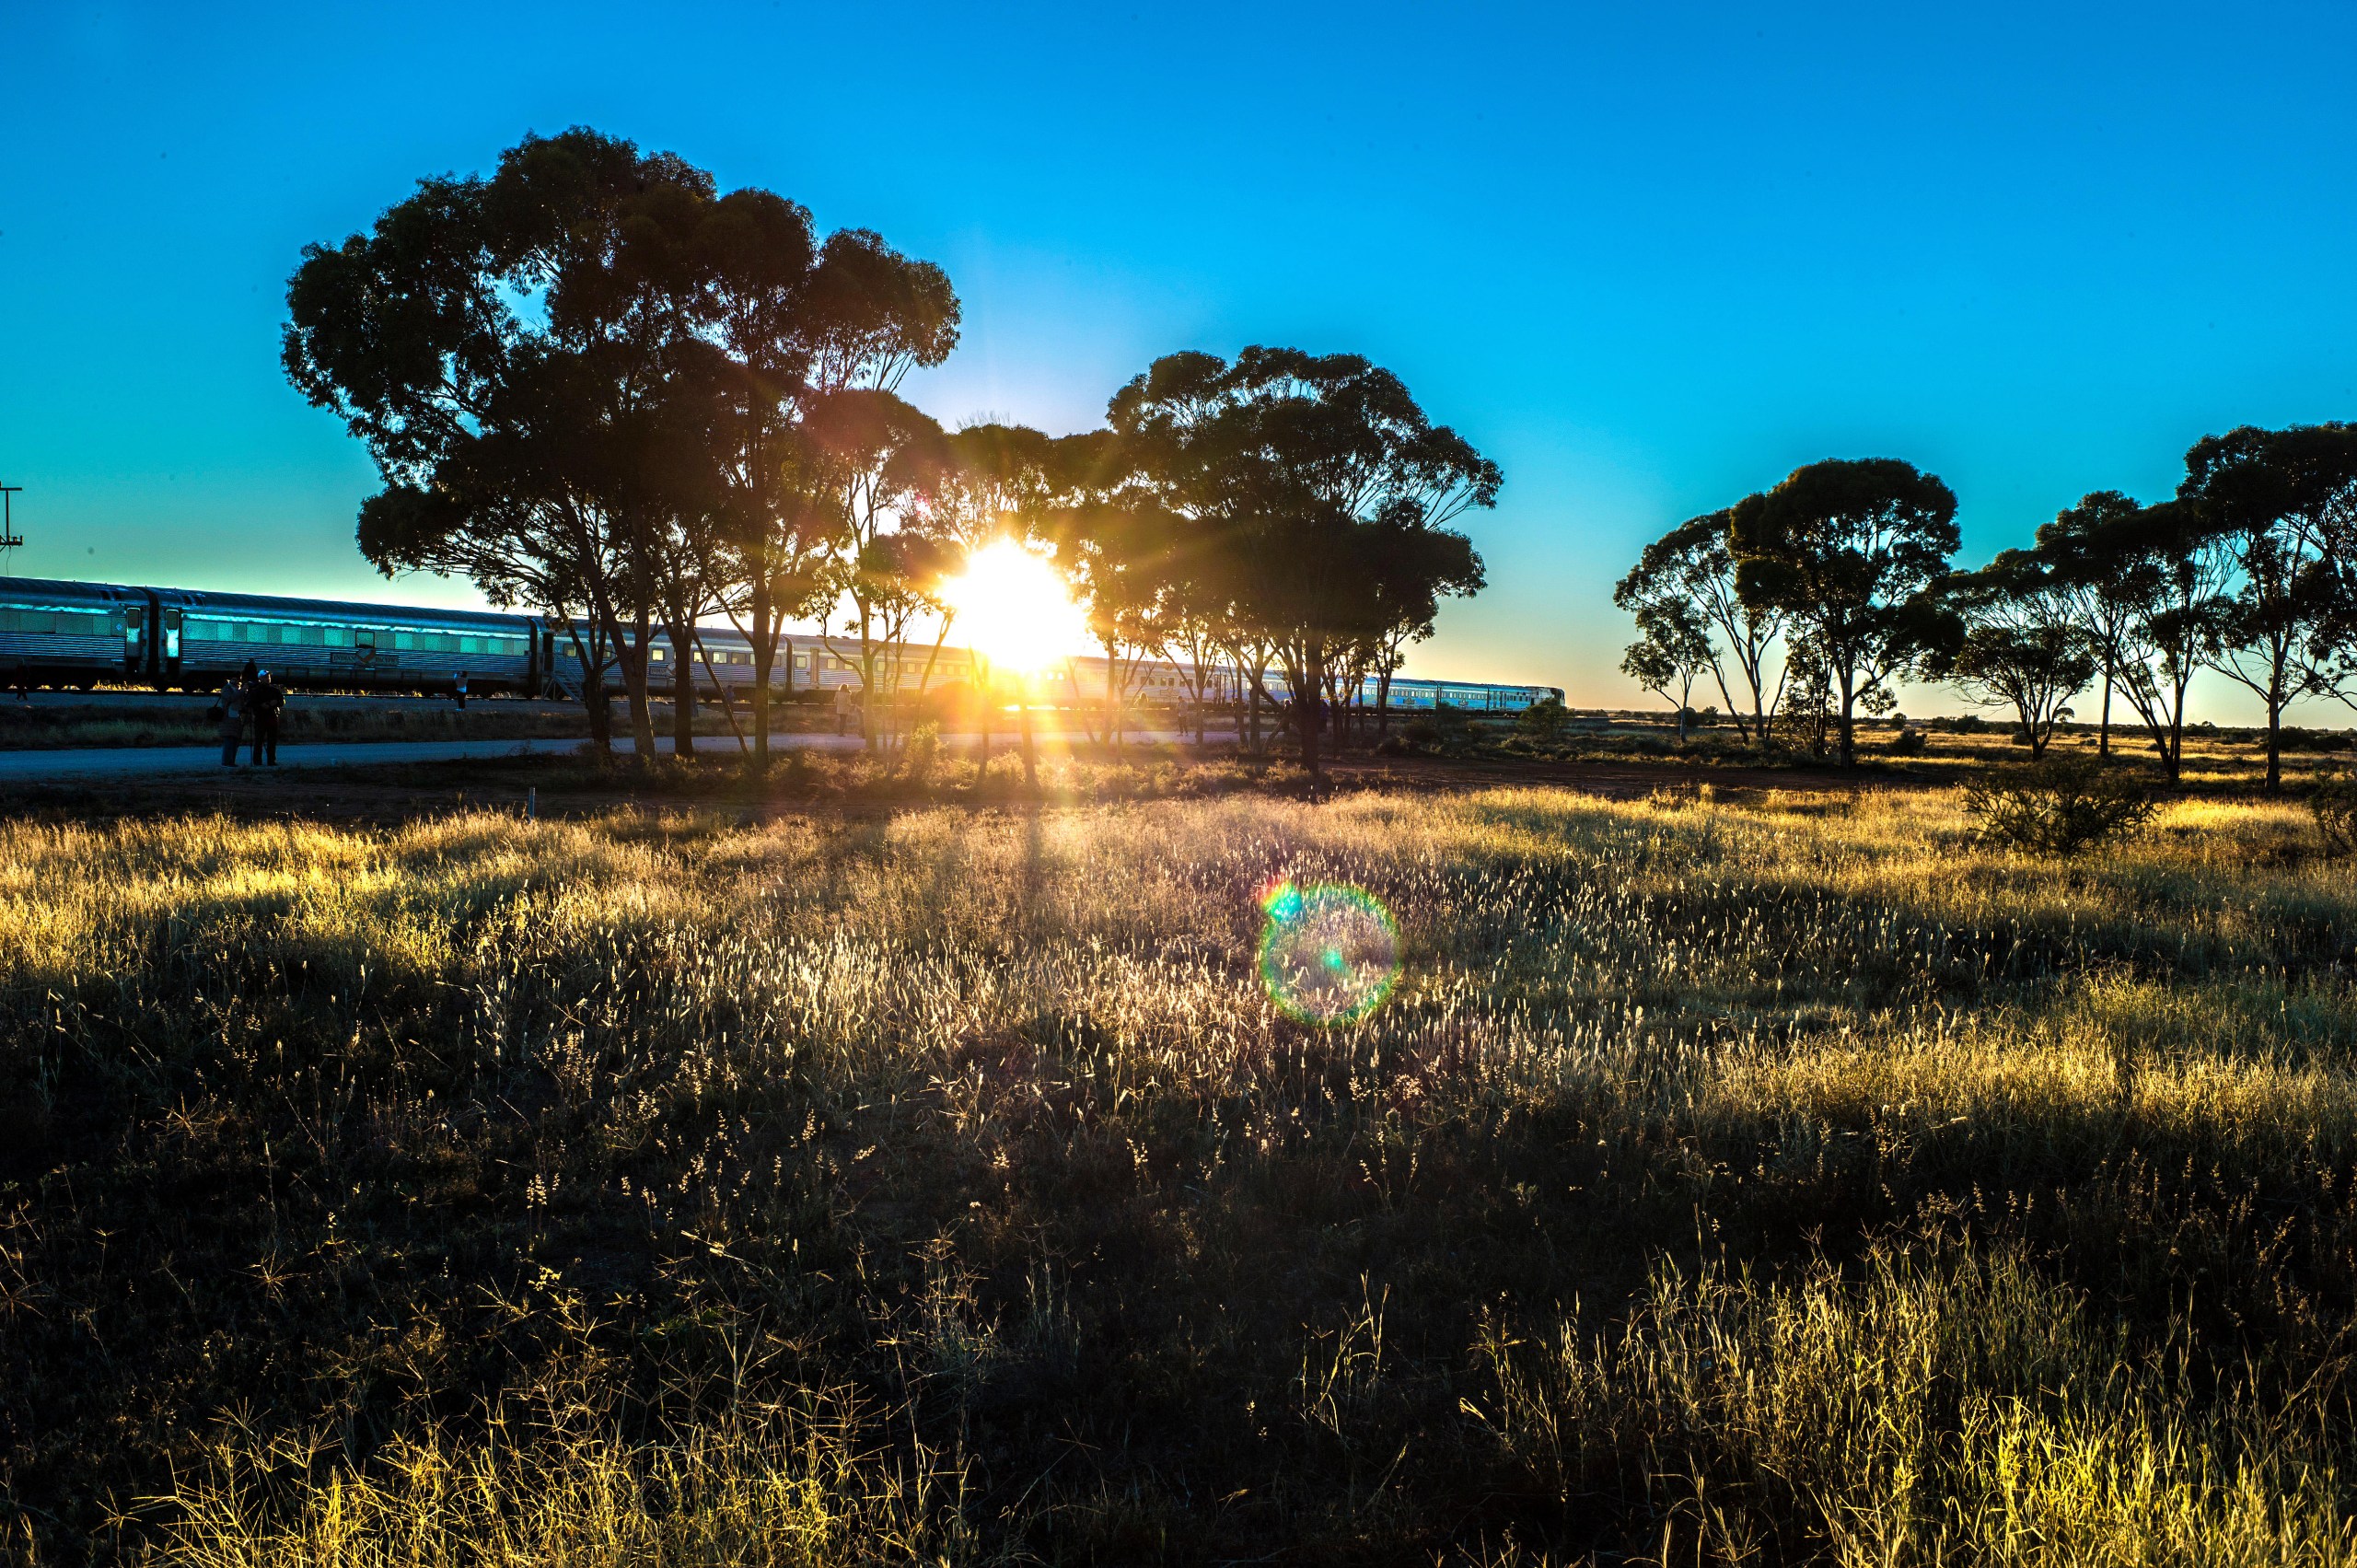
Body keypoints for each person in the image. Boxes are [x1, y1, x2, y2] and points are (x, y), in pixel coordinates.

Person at [248, 668, 284, 766]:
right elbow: (250, 703)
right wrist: (261, 705)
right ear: (260, 678)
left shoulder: (275, 690)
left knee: (272, 740)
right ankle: (257, 761)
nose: (268, 678)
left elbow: (282, 701)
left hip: (272, 717)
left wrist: (276, 702)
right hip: (260, 717)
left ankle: (271, 760)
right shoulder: (256, 691)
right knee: (259, 740)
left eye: (268, 677)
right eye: (265, 677)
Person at [215, 674, 247, 766]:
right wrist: (242, 691)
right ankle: (226, 761)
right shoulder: (226, 689)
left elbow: (241, 704)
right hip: (228, 717)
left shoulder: (238, 689)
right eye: (234, 678)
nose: (236, 680)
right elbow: (231, 698)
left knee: (235, 741)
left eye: (237, 679)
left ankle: (231, 761)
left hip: (236, 718)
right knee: (229, 740)